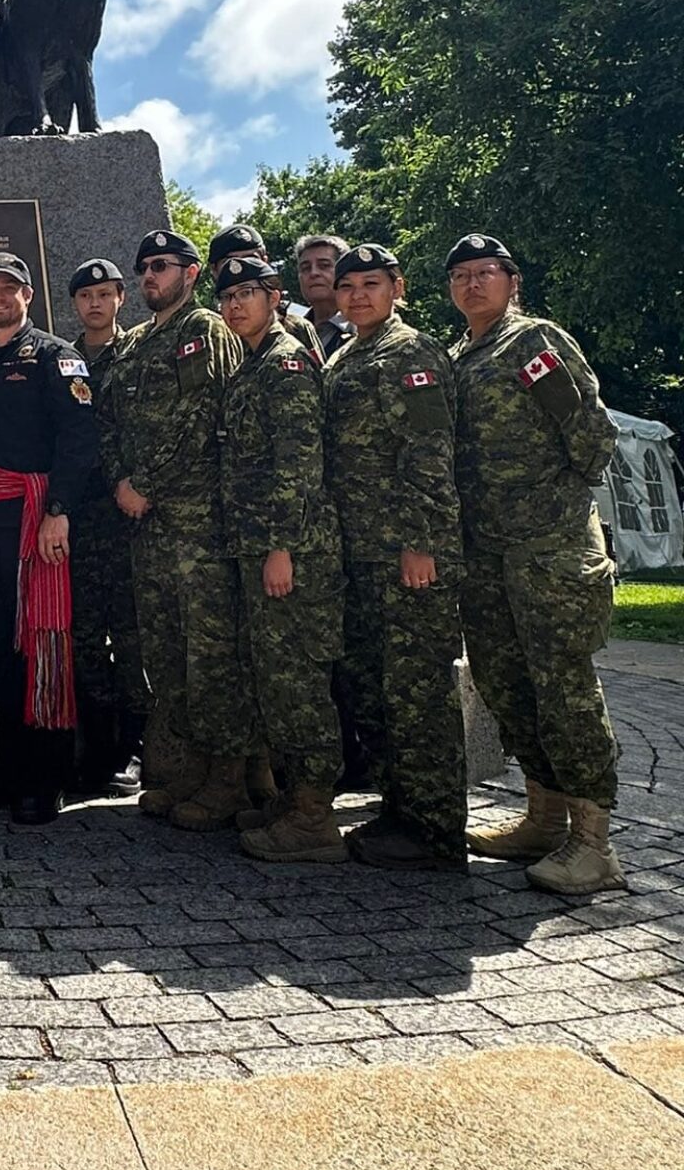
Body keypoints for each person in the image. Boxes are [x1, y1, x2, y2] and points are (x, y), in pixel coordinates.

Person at [446, 233, 625, 894]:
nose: (472, 284)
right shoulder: (462, 354)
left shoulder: (533, 342)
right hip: (488, 555)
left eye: (484, 272)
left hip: (547, 550)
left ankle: (595, 845)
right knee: (508, 683)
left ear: (511, 280)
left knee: (564, 689)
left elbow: (591, 438)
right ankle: (543, 819)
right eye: (460, 275)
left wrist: (551, 507)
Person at [97, 229, 252, 831]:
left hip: (196, 525)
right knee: (166, 657)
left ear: (190, 274)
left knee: (211, 655)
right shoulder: (134, 343)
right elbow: (105, 421)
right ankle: (189, 767)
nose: (149, 277)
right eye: (143, 268)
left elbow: (203, 417)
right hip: (146, 528)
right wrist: (120, 484)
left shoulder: (204, 330)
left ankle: (229, 779)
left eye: (161, 266)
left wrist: (148, 483)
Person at [322, 243, 467, 870]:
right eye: (348, 285)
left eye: (371, 284)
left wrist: (422, 543)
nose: (357, 295)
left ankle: (435, 830)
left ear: (397, 288)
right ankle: (399, 811)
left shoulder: (410, 353)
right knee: (378, 686)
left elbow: (429, 453)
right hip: (360, 555)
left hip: (406, 556)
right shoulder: (349, 354)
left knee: (418, 691)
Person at [0, 252, 97, 824]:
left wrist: (58, 512)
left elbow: (79, 441)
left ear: (27, 296)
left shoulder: (58, 359)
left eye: (9, 289)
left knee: (42, 648)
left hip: (36, 524)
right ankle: (12, 765)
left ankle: (46, 775)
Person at [212, 255, 346, 864]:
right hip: (259, 546)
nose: (236, 305)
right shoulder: (252, 365)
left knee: (299, 683)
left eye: (248, 293)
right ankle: (295, 801)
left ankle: (315, 819)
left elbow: (298, 467)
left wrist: (281, 548)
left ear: (275, 296)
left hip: (289, 551)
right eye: (228, 296)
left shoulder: (286, 365)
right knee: (277, 679)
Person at [65, 259, 146, 792]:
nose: (95, 303)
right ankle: (97, 749)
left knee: (136, 636)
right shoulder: (63, 359)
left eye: (104, 293)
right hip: (78, 520)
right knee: (86, 639)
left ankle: (139, 748)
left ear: (121, 297)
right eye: (85, 295)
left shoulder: (139, 354)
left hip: (130, 520)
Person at [208, 223, 324, 364]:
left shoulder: (295, 328)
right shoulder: (210, 332)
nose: (243, 267)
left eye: (252, 259)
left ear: (265, 262)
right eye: (231, 262)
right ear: (214, 271)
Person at [294, 233, 353, 359]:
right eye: (305, 268)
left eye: (324, 266)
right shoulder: (290, 329)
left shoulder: (361, 328)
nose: (313, 273)